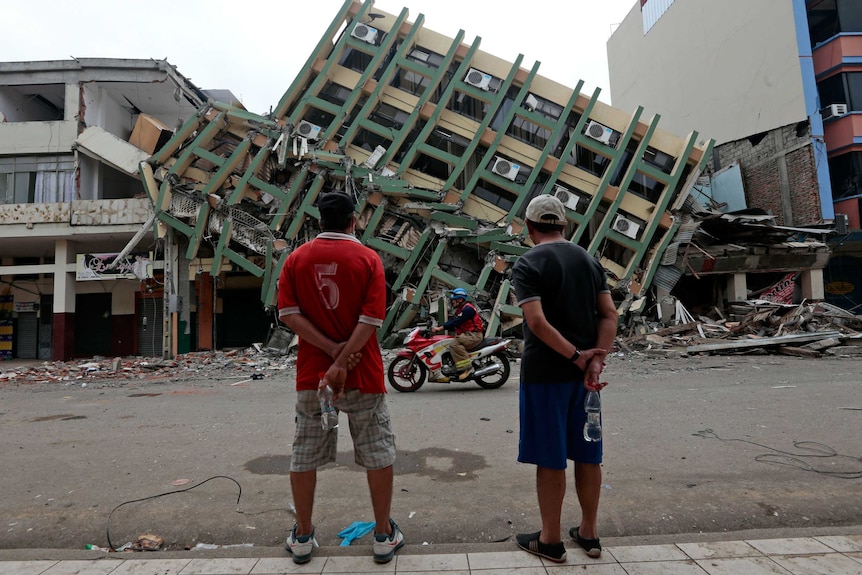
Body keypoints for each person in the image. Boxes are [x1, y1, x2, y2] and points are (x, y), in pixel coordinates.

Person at [277, 190, 404, 565]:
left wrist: (331, 353)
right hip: (362, 373)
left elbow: (288, 313)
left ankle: (301, 536)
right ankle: (383, 535)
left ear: (319, 222)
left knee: (304, 454)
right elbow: (371, 320)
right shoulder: (368, 258)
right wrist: (345, 359)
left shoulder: (296, 259)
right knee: (378, 451)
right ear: (354, 220)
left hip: (312, 377)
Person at [511, 194, 618, 563]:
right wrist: (595, 362)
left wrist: (575, 357)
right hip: (586, 381)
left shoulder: (528, 263)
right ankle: (589, 534)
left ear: (529, 227)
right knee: (589, 454)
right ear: (564, 225)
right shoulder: (589, 261)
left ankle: (551, 540)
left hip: (545, 375)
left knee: (551, 456)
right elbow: (609, 316)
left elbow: (537, 322)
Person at [432, 287, 484, 380]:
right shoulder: (460, 310)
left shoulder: (467, 309)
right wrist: (440, 327)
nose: (452, 302)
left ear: (460, 299)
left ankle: (468, 368)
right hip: (468, 334)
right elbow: (453, 321)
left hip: (474, 335)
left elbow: (457, 322)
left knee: (454, 344)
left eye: (454, 300)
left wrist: (440, 328)